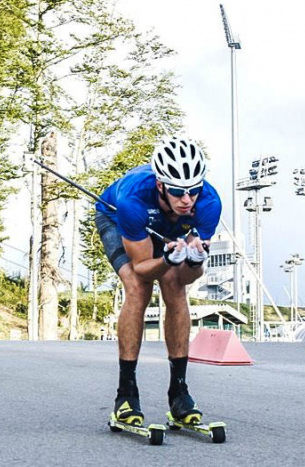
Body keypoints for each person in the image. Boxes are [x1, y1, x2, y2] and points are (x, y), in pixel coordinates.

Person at [94, 136, 222, 427]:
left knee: (176, 288)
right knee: (138, 289)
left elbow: (189, 277)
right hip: (117, 219)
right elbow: (141, 268)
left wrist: (193, 259)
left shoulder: (209, 203)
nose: (187, 200)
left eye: (194, 191)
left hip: (169, 226)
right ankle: (126, 393)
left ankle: (179, 393)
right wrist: (166, 260)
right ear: (162, 185)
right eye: (178, 192)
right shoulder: (132, 201)